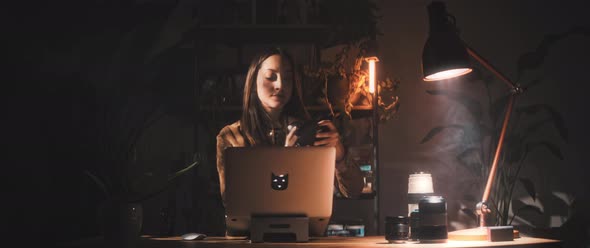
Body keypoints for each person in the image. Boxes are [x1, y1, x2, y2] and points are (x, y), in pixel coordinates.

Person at [216, 47, 363, 205]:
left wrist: (340, 154)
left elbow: (354, 190)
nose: (280, 85)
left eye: (287, 78)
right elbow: (231, 199)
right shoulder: (231, 136)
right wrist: (285, 161)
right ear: (253, 83)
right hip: (250, 229)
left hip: (302, 227)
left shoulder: (307, 132)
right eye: (270, 76)